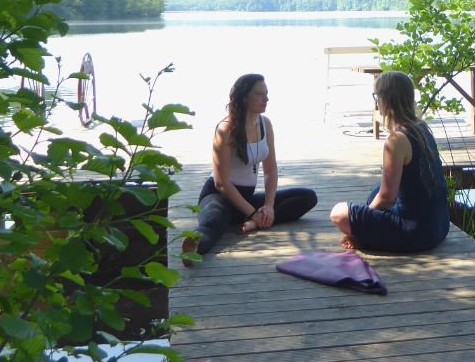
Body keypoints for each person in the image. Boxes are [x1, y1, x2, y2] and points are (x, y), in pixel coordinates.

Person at [187, 73, 318, 260]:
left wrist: (268, 206)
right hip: (220, 197)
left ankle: (253, 223)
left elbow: (271, 170)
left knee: (306, 197)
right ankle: (194, 249)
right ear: (244, 97)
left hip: (246, 200)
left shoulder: (265, 124)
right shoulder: (225, 129)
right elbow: (221, 183)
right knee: (213, 221)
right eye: (260, 94)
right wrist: (253, 212)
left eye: (267, 93)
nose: (266, 99)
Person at [330, 71, 450, 253]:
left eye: (376, 96)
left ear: (386, 99)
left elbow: (387, 198)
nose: (376, 101)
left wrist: (358, 229)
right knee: (376, 191)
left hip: (416, 232)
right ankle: (371, 231)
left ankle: (364, 236)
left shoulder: (396, 140)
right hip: (440, 226)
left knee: (339, 213)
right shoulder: (422, 128)